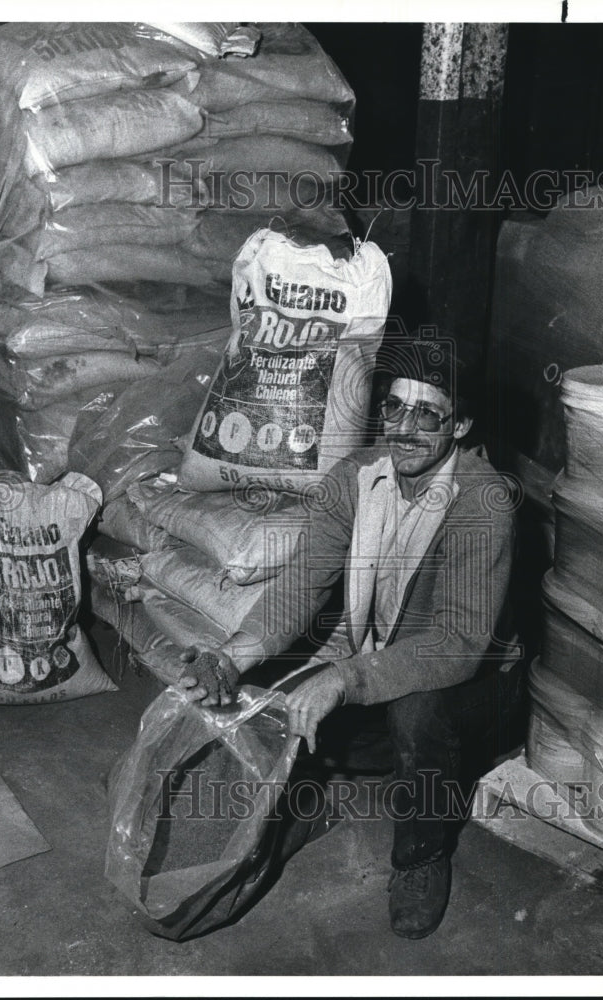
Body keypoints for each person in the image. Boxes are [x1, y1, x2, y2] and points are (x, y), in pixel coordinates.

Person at [179, 337, 523, 939]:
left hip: (470, 693)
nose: (405, 429)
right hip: (383, 665)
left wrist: (345, 678)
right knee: (265, 689)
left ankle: (422, 855)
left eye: (428, 415)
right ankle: (323, 793)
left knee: (417, 712)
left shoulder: (484, 500)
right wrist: (231, 658)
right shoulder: (357, 477)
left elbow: (457, 645)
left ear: (461, 425)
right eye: (394, 409)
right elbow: (301, 586)